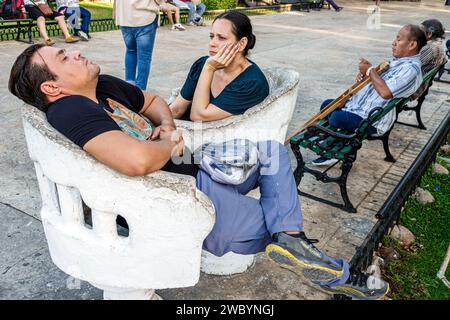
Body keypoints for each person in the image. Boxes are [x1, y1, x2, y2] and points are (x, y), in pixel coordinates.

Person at [9, 43, 390, 300]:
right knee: (264, 226)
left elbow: (156, 102)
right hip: (173, 199)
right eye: (63, 57)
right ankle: (337, 272)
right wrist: (168, 145)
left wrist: (169, 127)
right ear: (51, 86)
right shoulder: (71, 110)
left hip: (194, 168)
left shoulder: (102, 87)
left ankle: (292, 238)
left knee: (272, 152)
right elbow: (137, 162)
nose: (76, 52)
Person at [312, 25, 426, 166]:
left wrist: (370, 70)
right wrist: (365, 77)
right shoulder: (399, 62)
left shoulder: (411, 69)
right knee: (327, 105)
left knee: (335, 117)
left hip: (372, 119)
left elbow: (385, 92)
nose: (393, 43)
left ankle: (337, 149)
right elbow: (378, 82)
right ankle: (337, 141)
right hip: (361, 108)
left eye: (399, 39)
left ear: (412, 44)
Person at [170, 11, 269, 122]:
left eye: (221, 38)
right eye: (212, 36)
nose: (212, 43)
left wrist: (209, 69)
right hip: (181, 132)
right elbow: (177, 109)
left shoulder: (251, 83)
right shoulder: (202, 64)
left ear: (241, 43)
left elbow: (198, 117)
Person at [114, 0, 159, 90]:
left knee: (130, 51)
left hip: (125, 15)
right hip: (144, 16)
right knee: (144, 57)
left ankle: (129, 88)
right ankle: (140, 92)